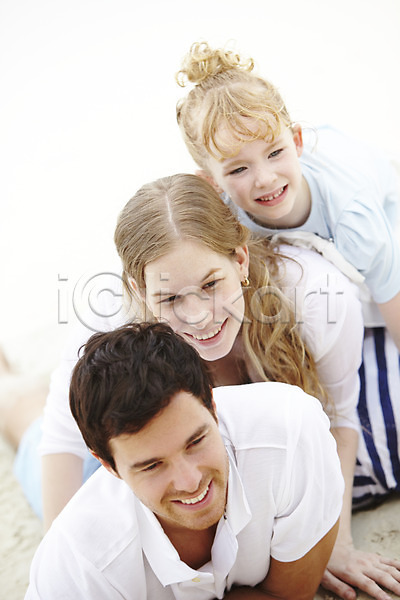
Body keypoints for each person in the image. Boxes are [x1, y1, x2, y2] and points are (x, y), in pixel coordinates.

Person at [32, 173, 400, 600]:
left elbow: (339, 414)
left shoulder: (316, 296)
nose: (198, 316)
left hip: (227, 470)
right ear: (138, 290)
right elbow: (62, 444)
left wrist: (337, 542)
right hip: (136, 462)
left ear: (240, 260)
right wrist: (67, 556)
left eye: (211, 285)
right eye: (170, 299)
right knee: (34, 439)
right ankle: (16, 405)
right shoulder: (105, 330)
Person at [25, 322, 343, 600]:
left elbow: (290, 595)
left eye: (195, 442)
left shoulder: (289, 435)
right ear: (110, 467)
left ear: (213, 406)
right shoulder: (77, 561)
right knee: (29, 432)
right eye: (152, 465)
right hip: (93, 487)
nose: (190, 482)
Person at [175, 41, 400, 349]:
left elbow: (391, 295)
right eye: (238, 169)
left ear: (296, 141)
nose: (265, 179)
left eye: (275, 152)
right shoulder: (223, 215)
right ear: (212, 182)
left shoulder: (354, 215)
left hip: (382, 194)